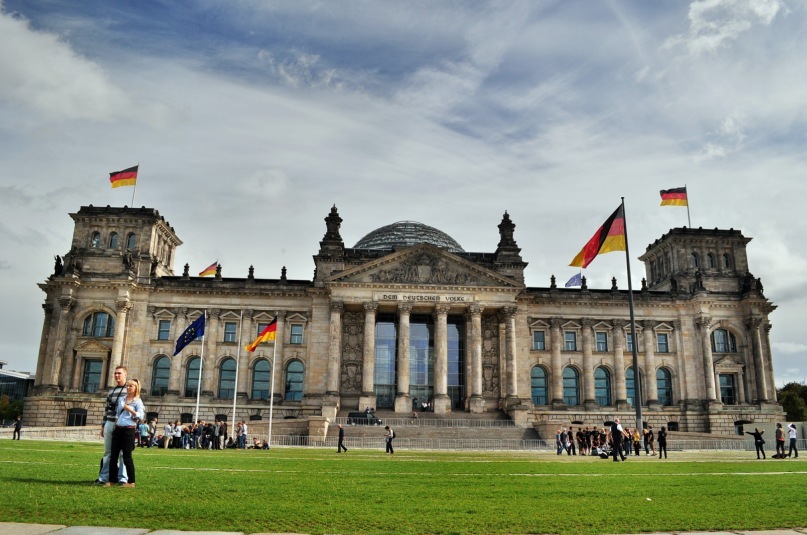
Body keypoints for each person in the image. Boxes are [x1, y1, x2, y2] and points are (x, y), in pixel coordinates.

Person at [106, 378, 145, 488]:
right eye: (127, 385)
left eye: (131, 386)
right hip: (118, 428)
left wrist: (130, 410)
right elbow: (118, 412)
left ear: (136, 388)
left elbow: (141, 416)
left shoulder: (138, 401)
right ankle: (112, 480)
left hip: (129, 430)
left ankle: (131, 482)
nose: (128, 388)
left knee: (127, 457)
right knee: (113, 456)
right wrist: (117, 420)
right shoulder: (122, 399)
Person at [96, 366, 128, 485]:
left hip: (122, 425)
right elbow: (107, 409)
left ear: (125, 375)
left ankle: (123, 479)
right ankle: (104, 477)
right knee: (108, 452)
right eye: (115, 373)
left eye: (119, 373)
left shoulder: (129, 390)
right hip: (109, 423)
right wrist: (103, 425)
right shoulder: (111, 391)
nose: (116, 375)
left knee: (123, 453)